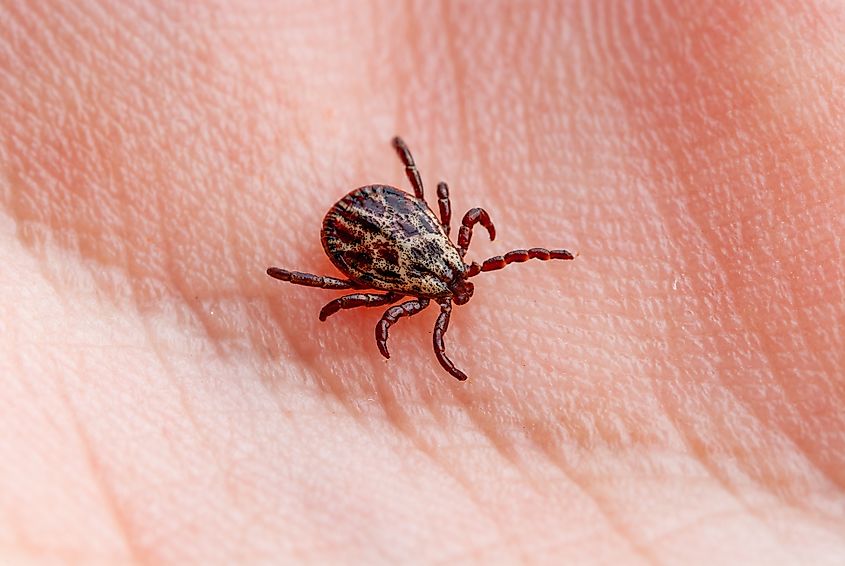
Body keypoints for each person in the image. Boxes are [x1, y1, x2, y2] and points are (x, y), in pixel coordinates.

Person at [1, 1, 842, 563]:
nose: (464, 280)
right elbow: (394, 305)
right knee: (368, 282)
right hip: (370, 222)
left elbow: (398, 269)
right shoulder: (434, 277)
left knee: (369, 280)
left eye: (471, 261)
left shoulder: (432, 262)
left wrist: (414, 301)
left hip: (369, 217)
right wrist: (430, 345)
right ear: (463, 243)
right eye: (476, 258)